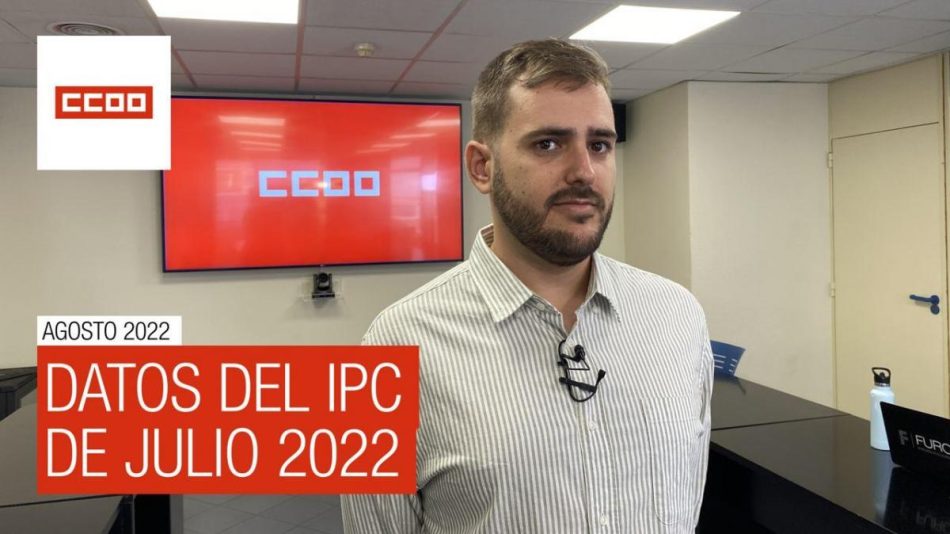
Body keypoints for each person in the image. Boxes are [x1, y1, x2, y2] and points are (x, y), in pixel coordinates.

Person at [342, 38, 713, 533]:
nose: (584, 172)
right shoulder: (397, 345)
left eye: (599, 145)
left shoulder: (676, 316)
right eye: (548, 144)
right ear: (482, 167)